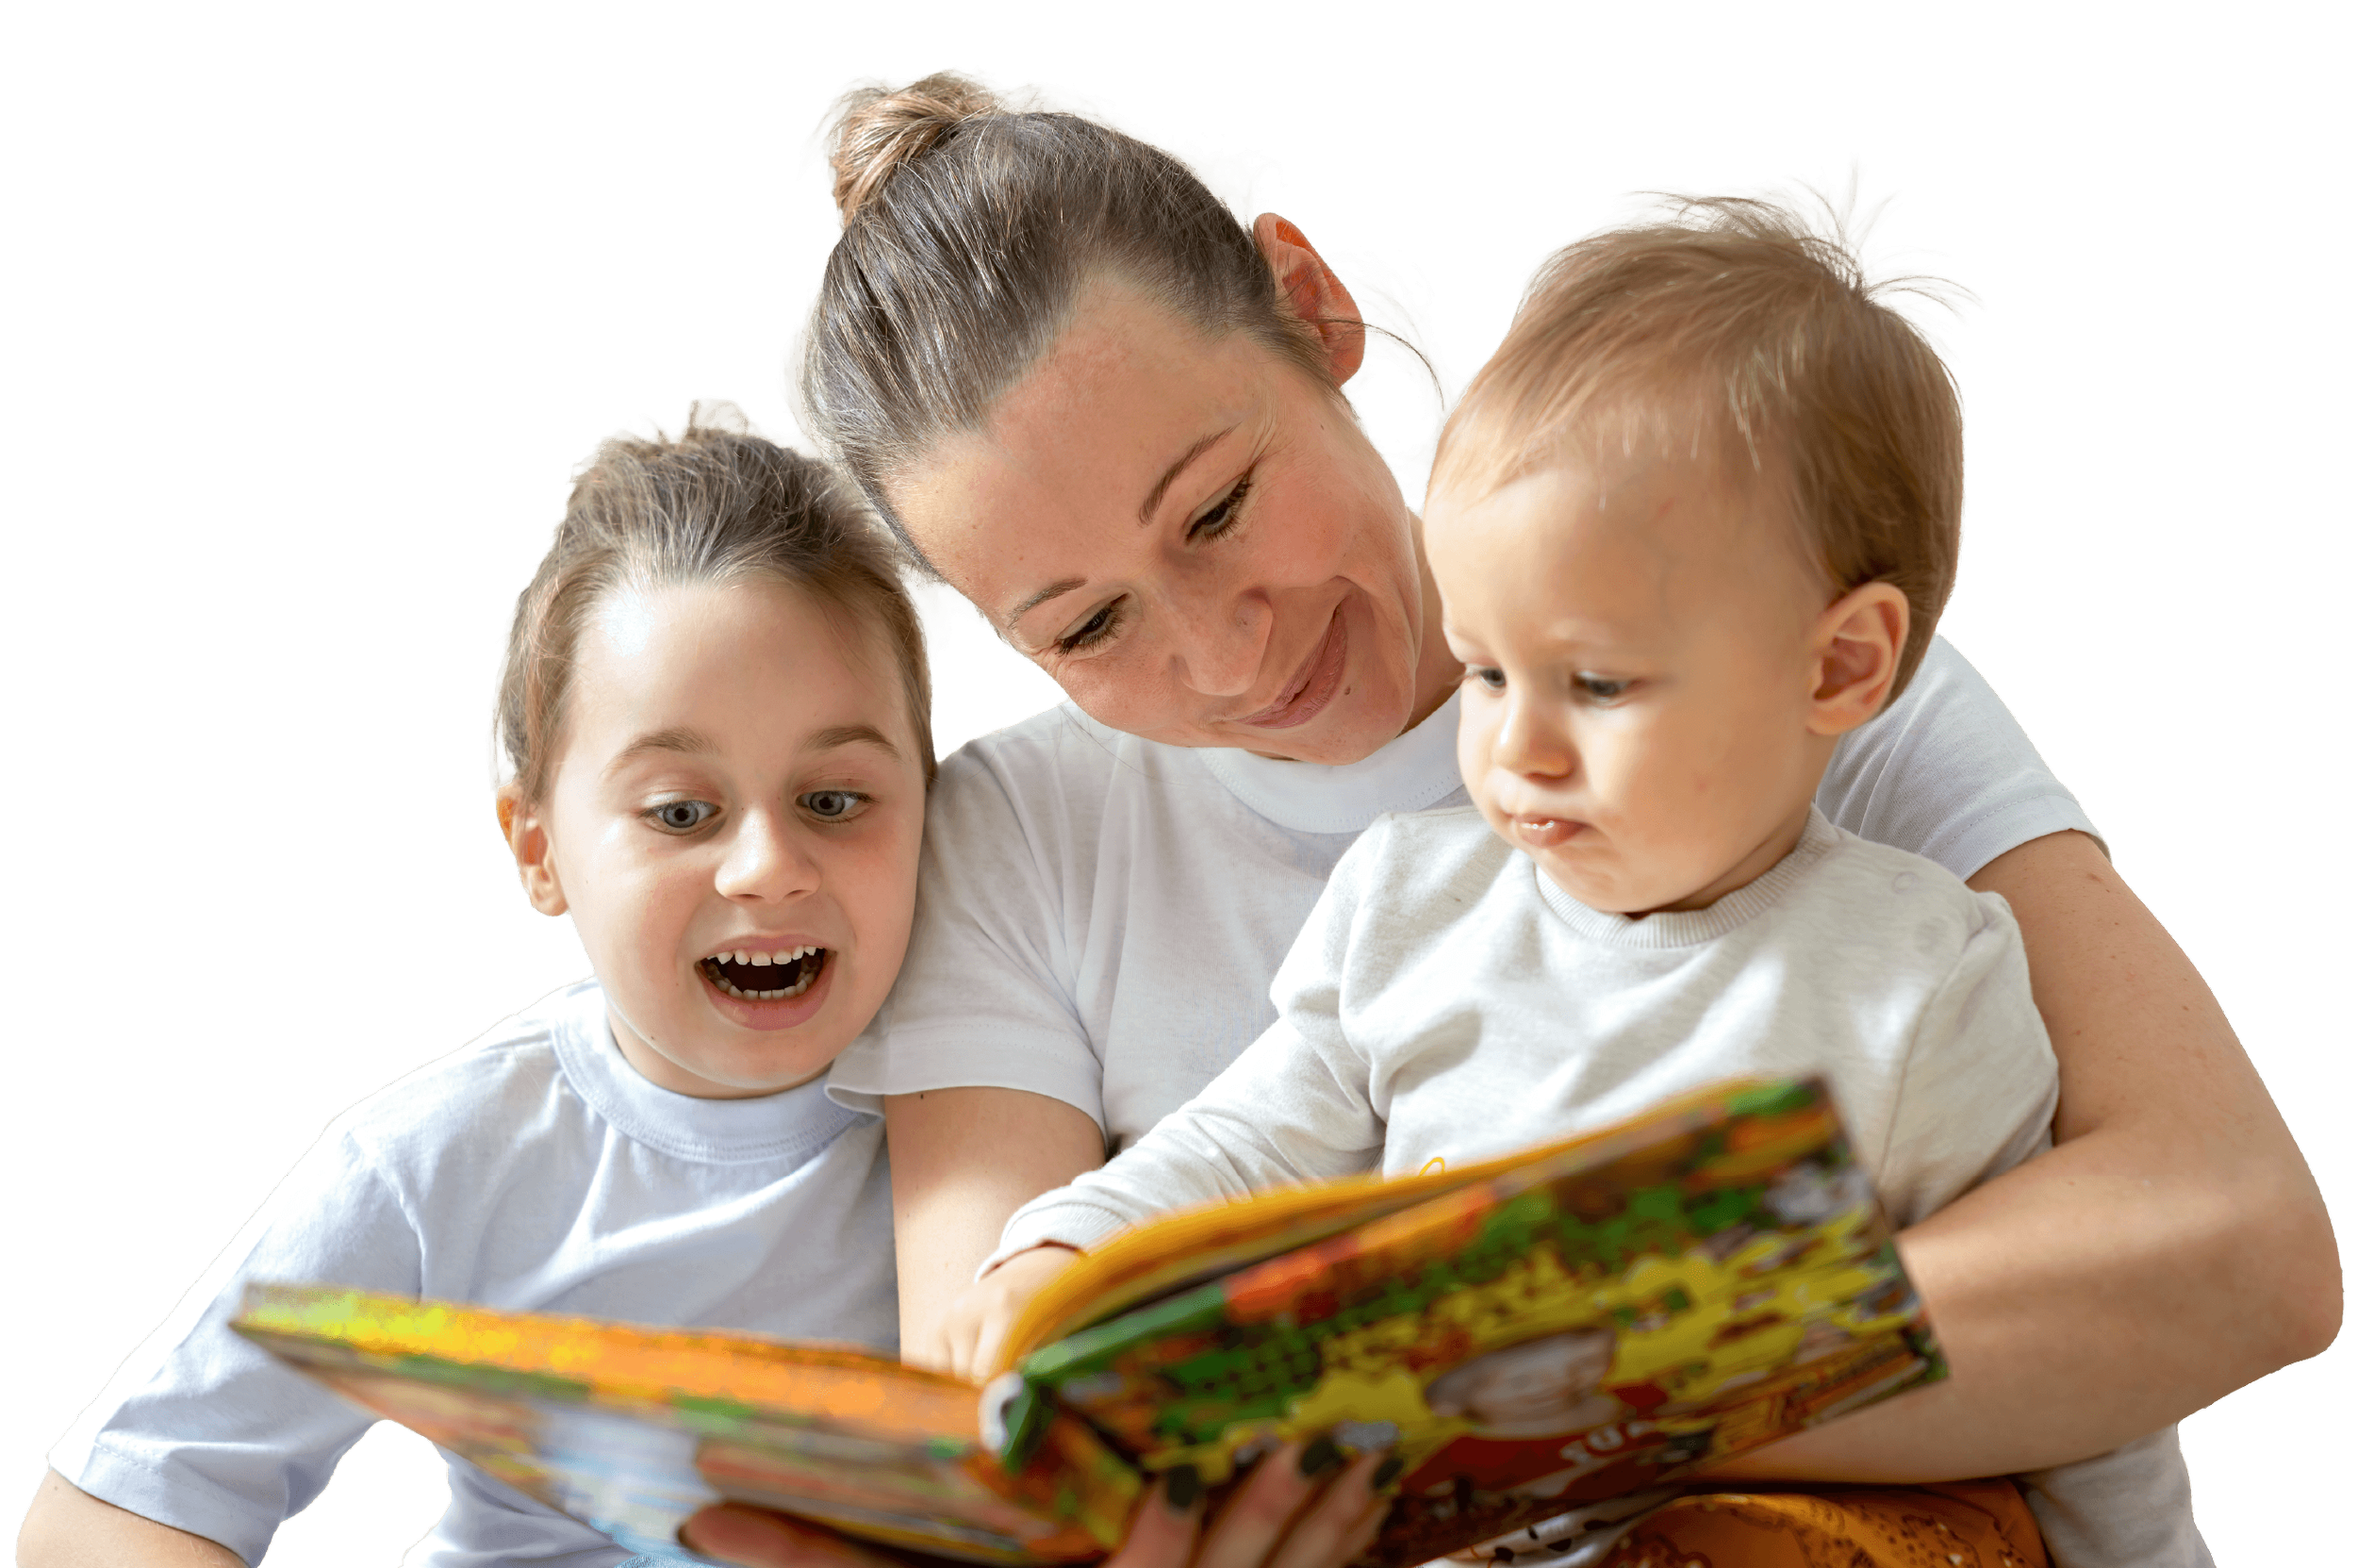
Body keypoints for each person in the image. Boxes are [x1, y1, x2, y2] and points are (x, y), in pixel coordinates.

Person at [767, 67, 2333, 1509]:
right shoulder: (1026, 842)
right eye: (1089, 624)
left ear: (1311, 310)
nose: (1227, 655)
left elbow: (2236, 1246)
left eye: (1221, 507)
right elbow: (998, 1424)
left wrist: (1513, 1398)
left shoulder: (1760, 646)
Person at [20, 403, 935, 1564]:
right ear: (539, 847)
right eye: (680, 812)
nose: (765, 868)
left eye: (834, 800)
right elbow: (106, 1514)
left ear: (934, 811)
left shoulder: (1004, 1095)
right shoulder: (444, 1157)